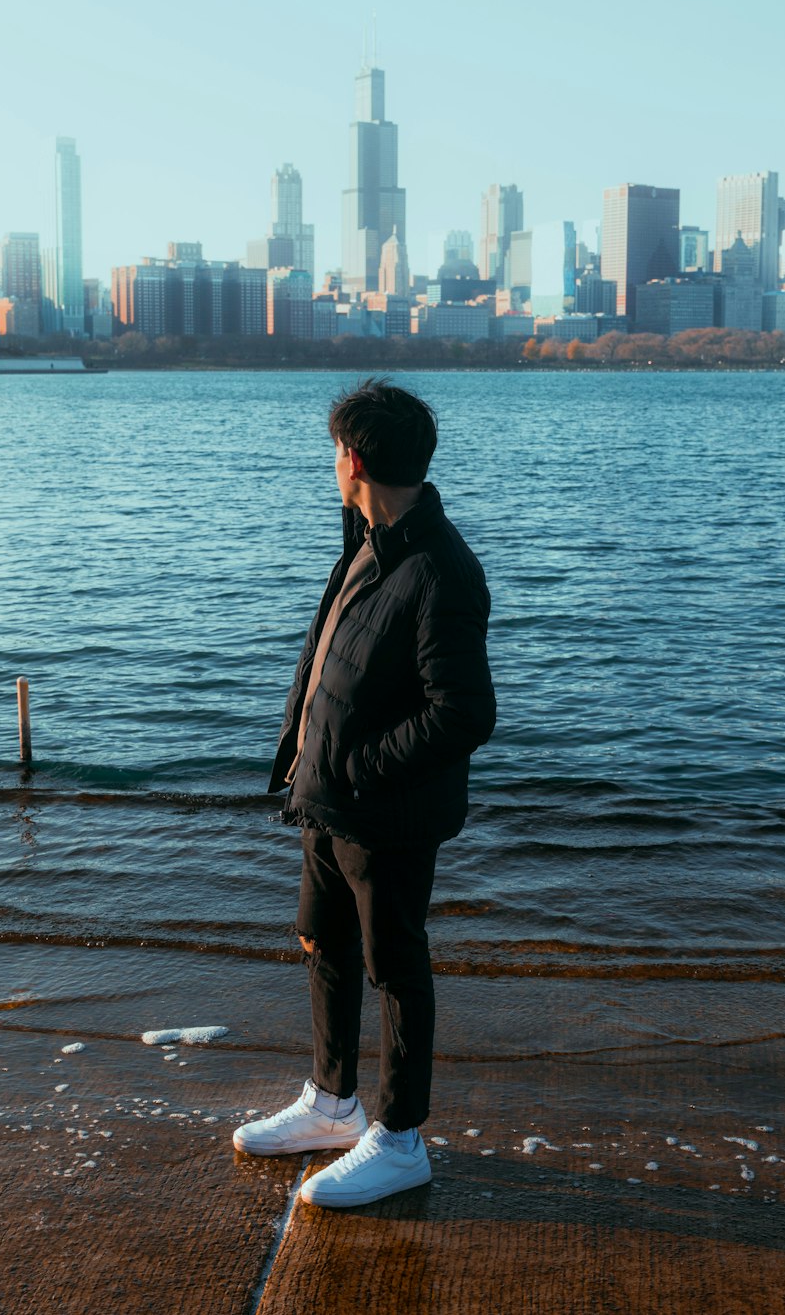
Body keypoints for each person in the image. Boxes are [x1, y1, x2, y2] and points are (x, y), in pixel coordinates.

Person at [233, 379, 495, 1208]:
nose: (330, 465)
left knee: (395, 967)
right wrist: (310, 764)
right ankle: (331, 1104)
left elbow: (464, 713)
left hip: (384, 814)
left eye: (333, 451)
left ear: (352, 459)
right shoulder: (366, 537)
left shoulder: (440, 569)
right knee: (325, 945)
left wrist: (360, 769)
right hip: (325, 800)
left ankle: (400, 1138)